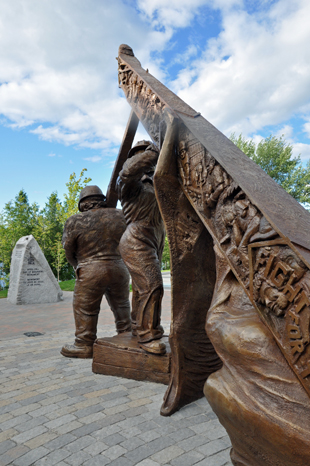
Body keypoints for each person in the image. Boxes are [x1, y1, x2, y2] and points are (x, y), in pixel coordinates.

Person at [61, 185, 131, 358]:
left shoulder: (74, 221)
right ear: (102, 200)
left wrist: (77, 266)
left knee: (85, 308)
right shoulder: (122, 215)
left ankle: (84, 345)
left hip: (90, 269)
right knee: (121, 305)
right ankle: (127, 337)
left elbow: (68, 250)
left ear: (82, 204)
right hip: (119, 267)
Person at [117, 141, 166, 355]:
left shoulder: (157, 184)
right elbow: (128, 172)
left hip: (156, 237)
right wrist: (153, 151)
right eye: (141, 156)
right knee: (153, 286)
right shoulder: (130, 184)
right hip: (137, 237)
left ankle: (139, 328)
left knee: (140, 290)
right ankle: (148, 336)